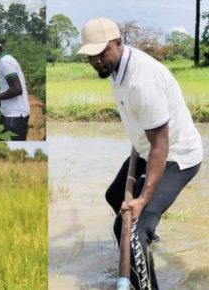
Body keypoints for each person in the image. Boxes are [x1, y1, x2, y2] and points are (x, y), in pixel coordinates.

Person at [76, 17, 203, 290]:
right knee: (114, 196)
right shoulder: (117, 68)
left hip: (176, 157)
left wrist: (143, 199)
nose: (97, 60)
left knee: (133, 230)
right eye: (91, 56)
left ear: (119, 43)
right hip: (148, 149)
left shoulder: (141, 81)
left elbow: (161, 146)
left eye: (102, 52)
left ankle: (146, 278)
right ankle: (144, 248)